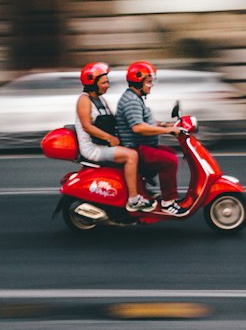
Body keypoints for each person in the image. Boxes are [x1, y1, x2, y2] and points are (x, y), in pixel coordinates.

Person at [75, 62, 153, 213]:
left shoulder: (101, 100)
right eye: (104, 82)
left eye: (107, 82)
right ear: (92, 83)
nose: (107, 85)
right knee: (131, 156)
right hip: (93, 148)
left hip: (103, 144)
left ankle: (141, 191)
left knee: (136, 149)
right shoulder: (84, 100)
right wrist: (110, 138)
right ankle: (133, 200)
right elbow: (87, 126)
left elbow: (114, 121)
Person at [115, 60, 183, 215]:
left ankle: (147, 189)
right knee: (169, 161)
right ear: (138, 81)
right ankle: (168, 203)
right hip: (136, 148)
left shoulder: (136, 98)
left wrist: (165, 125)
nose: (151, 85)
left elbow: (146, 121)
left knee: (171, 153)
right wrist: (167, 131)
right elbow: (138, 127)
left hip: (143, 146)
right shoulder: (132, 101)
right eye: (149, 82)